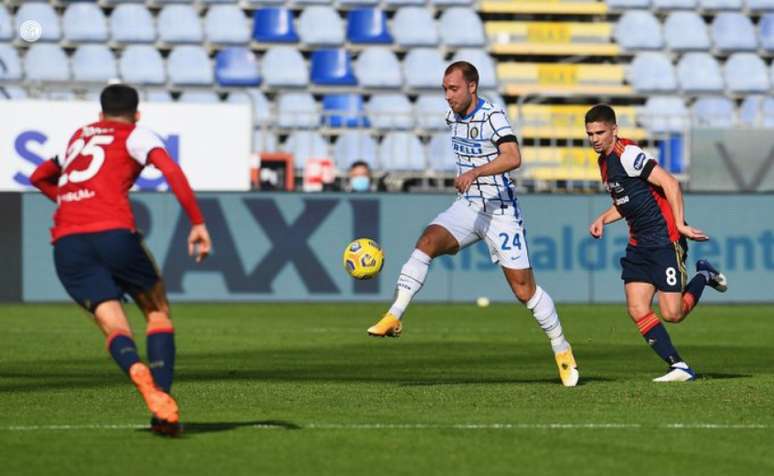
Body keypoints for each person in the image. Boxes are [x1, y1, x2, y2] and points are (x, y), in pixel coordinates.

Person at [367, 61, 579, 387]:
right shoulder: (453, 116)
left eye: (453, 89)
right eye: (444, 89)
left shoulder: (492, 116)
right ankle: (394, 315)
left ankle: (561, 347)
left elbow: (513, 156)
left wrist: (475, 172)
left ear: (472, 87)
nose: (448, 96)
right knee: (427, 242)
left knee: (525, 291)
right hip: (468, 206)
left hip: (500, 211)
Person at [29, 84, 212, 435]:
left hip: (67, 242)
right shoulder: (135, 134)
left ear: (99, 115)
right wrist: (198, 222)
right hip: (113, 233)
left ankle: (135, 372)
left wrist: (70, 203)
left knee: (115, 327)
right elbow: (171, 171)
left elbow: (39, 176)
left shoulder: (78, 138)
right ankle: (163, 406)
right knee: (157, 311)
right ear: (137, 114)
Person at [585, 104, 727, 382]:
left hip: (664, 240)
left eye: (600, 132)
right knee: (637, 308)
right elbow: (626, 202)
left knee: (673, 314)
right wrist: (603, 218)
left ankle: (704, 275)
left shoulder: (629, 155)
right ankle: (679, 366)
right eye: (590, 134)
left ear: (614, 130)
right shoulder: (603, 162)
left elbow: (671, 183)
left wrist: (681, 224)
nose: (594, 139)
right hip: (638, 244)